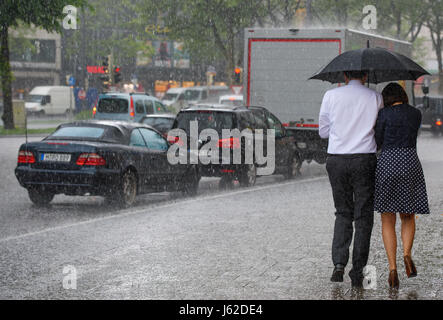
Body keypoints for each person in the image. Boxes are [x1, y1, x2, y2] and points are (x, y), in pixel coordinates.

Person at [319, 70, 383, 287]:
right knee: (363, 216)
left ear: (344, 75)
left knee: (343, 212)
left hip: (337, 160)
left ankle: (338, 263)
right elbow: (379, 129)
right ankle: (358, 271)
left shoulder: (330, 96)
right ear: (365, 75)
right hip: (364, 160)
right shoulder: (375, 97)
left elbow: (323, 132)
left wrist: (342, 130)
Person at [374, 83, 430, 289]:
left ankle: (392, 269)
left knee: (387, 218)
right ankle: (407, 255)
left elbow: (378, 141)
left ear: (386, 98)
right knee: (407, 215)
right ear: (403, 95)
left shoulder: (383, 115)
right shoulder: (415, 114)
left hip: (388, 163)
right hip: (409, 161)